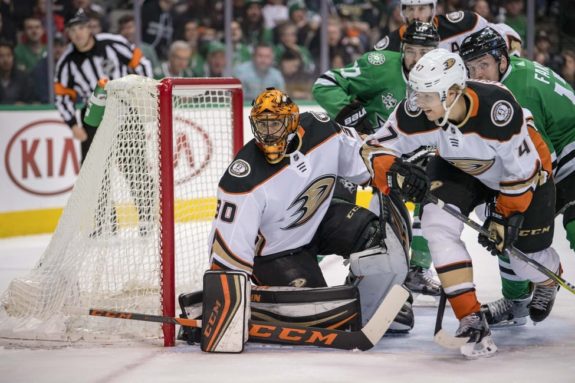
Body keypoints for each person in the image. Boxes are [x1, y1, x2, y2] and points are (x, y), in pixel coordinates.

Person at [362, 48, 560, 357]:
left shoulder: (497, 111)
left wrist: (502, 216)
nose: (417, 101)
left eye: (426, 94)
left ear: (453, 92)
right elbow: (373, 148)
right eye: (417, 92)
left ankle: (548, 280)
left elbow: (523, 172)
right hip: (461, 167)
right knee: (435, 224)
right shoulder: (416, 113)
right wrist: (394, 170)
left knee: (522, 259)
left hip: (526, 176)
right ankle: (470, 317)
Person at [207, 87, 413, 332]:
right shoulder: (242, 179)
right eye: (262, 126)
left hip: (318, 224)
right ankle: (265, 308)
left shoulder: (322, 129)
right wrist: (224, 304)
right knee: (324, 317)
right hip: (276, 254)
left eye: (276, 124)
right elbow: (227, 251)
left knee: (377, 235)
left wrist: (394, 170)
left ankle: (371, 301)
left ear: (293, 121)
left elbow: (364, 161)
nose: (268, 134)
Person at [312, 21, 441, 297]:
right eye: (411, 51)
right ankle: (305, 259)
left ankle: (417, 269)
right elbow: (324, 84)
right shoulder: (379, 65)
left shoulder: (444, 76)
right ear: (403, 49)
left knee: (434, 195)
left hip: (414, 160)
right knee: (335, 207)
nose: (417, 60)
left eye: (425, 52)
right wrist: (345, 108)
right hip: (365, 154)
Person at [459, 26, 575, 325]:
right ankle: (517, 300)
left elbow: (539, 158)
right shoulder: (499, 83)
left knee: (512, 221)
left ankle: (539, 283)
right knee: (502, 225)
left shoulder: (514, 92)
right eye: (471, 67)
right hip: (552, 155)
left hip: (563, 154)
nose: (478, 73)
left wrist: (514, 208)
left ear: (502, 60)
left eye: (483, 64)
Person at [54, 9, 152, 163]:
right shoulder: (66, 62)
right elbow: (61, 97)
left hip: (125, 108)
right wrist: (73, 124)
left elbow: (141, 63)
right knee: (92, 169)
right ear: (67, 33)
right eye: (72, 30)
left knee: (135, 167)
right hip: (93, 114)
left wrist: (143, 93)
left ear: (89, 28)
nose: (77, 34)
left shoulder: (113, 43)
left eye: (80, 28)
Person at [373, 0, 490, 53]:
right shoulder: (390, 46)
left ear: (432, 9)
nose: (416, 16)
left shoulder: (463, 24)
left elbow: (497, 35)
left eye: (422, 9)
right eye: (410, 9)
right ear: (403, 12)